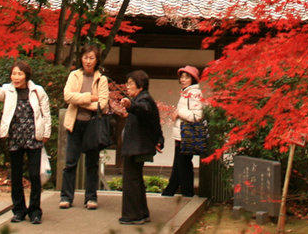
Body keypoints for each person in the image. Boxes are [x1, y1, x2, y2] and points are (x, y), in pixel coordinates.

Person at [0, 61, 51, 225]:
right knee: (16, 176)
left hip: (34, 138)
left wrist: (46, 132)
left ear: (26, 75)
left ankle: (35, 211)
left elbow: (46, 113)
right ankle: (19, 210)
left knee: (34, 176)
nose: (16, 77)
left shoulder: (37, 91)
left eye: (19, 74)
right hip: (15, 137)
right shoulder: (8, 89)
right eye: (14, 74)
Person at [59, 43, 109, 210]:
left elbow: (102, 104)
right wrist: (90, 98)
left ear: (97, 60)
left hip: (92, 125)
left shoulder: (101, 79)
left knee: (92, 164)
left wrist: (80, 100)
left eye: (92, 58)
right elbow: (67, 96)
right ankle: (66, 196)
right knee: (70, 162)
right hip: (74, 123)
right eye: (86, 57)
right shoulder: (74, 75)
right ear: (81, 58)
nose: (88, 61)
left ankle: (91, 197)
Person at [117, 69, 163, 226]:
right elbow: (154, 123)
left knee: (131, 180)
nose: (127, 86)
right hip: (136, 146)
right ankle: (141, 213)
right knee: (135, 179)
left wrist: (130, 105)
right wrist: (159, 139)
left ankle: (134, 215)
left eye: (131, 83)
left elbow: (142, 110)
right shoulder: (143, 99)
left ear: (140, 85)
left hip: (136, 147)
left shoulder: (144, 100)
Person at [161, 65, 203, 197]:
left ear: (193, 79)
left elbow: (197, 116)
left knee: (183, 164)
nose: (183, 80)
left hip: (186, 135)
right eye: (182, 77)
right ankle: (171, 190)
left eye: (187, 77)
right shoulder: (186, 92)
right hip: (181, 134)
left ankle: (186, 192)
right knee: (180, 163)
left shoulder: (194, 93)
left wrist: (179, 112)